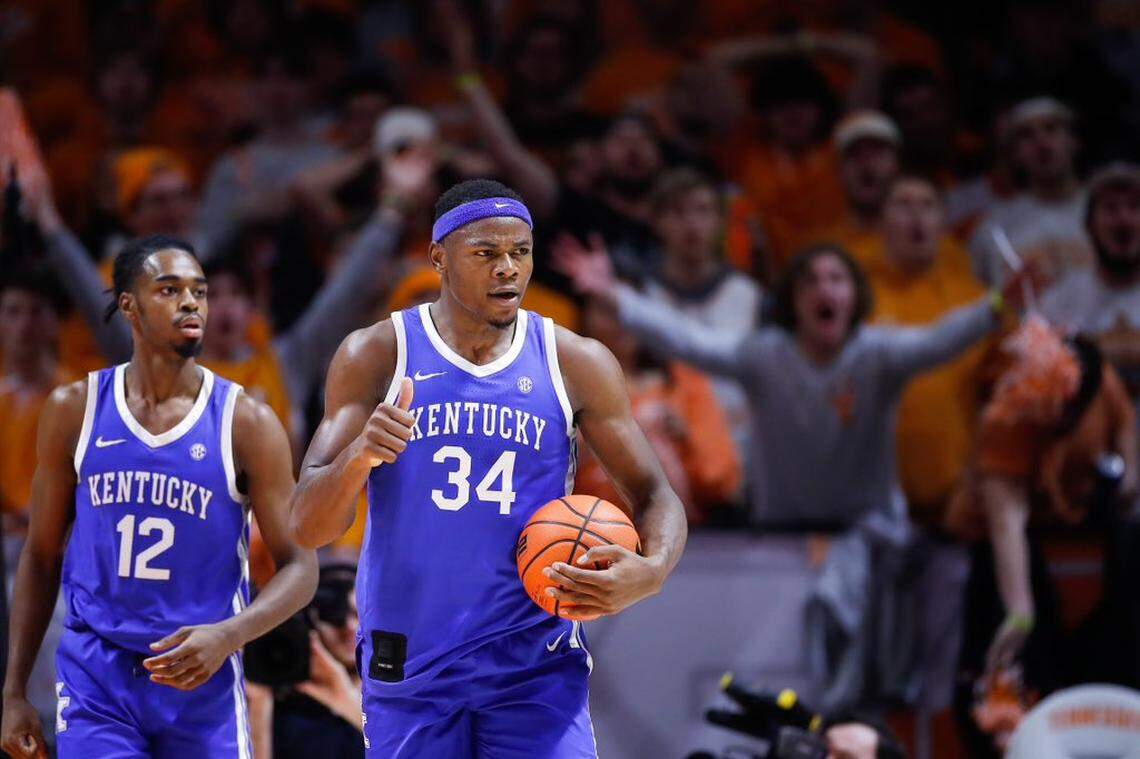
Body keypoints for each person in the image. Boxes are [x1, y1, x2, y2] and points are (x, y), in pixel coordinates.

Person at [289, 178, 687, 756]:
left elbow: (656, 494)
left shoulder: (575, 361)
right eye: (486, 254)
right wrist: (360, 456)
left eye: (520, 253)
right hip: (412, 659)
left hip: (533, 660)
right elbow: (306, 526)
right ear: (439, 259)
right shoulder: (376, 354)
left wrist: (651, 571)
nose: (508, 270)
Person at [0, 235, 318, 757]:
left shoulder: (246, 422)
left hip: (201, 679)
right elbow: (39, 555)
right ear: (129, 305)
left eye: (199, 290)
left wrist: (230, 635)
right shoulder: (74, 409)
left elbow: (301, 568)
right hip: (97, 677)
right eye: (169, 290)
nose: (191, 302)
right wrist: (14, 692)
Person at [556, 239, 1028, 526]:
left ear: (854, 295)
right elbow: (688, 339)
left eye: (836, 279)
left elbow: (939, 342)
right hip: (780, 542)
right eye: (809, 281)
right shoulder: (766, 356)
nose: (824, 289)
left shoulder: (880, 353)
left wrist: (995, 308)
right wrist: (616, 297)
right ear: (792, 300)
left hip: (872, 536)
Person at [969, 97, 1092, 288]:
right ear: (1014, 154)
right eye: (1026, 134)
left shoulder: (1114, 212)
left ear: (1074, 141)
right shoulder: (993, 228)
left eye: (1051, 128)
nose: (1041, 142)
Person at [1040, 162, 1140, 395]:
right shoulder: (1057, 304)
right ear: (1089, 225)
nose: (1123, 219)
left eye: (1135, 207)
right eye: (1110, 208)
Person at [801, 110, 902, 266]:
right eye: (854, 153)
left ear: (896, 164)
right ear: (838, 170)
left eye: (877, 152)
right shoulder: (820, 251)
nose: (867, 164)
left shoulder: (926, 243)